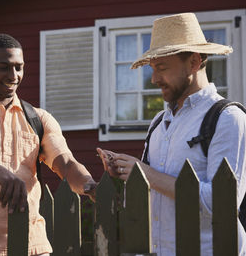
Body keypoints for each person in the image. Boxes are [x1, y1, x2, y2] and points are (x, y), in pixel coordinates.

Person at [97, 13, 246, 255]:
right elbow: (151, 198)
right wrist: (126, 173)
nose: (154, 79)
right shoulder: (159, 121)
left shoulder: (227, 118)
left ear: (194, 62)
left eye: (162, 68)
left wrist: (147, 174)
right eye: (153, 69)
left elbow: (222, 204)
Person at [0, 33, 97, 256]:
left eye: (19, 67)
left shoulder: (39, 119)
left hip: (32, 246)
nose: (13, 75)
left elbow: (66, 163)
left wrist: (89, 185)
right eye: (4, 67)